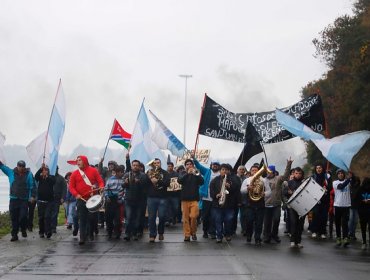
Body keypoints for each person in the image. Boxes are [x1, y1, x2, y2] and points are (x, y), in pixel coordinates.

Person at [69, 155, 104, 245]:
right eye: (77, 160)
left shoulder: (93, 171)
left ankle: (91, 232)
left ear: (84, 161)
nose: (78, 162)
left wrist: (101, 187)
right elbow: (71, 187)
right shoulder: (75, 173)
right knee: (82, 218)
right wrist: (76, 194)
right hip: (81, 199)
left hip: (92, 199)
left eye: (80, 160)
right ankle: (82, 237)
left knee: (92, 218)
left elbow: (100, 181)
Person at [0, 160, 36, 242]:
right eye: (20, 166)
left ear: (24, 167)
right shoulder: (11, 173)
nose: (21, 168)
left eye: (23, 166)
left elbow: (32, 186)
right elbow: (3, 167)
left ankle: (23, 229)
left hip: (24, 200)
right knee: (14, 218)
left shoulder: (29, 174)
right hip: (13, 199)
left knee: (23, 217)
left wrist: (32, 196)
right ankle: (14, 234)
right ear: (17, 166)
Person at [263, 159, 293, 244]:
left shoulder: (279, 179)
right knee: (267, 222)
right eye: (268, 171)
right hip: (266, 204)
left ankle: (274, 235)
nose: (269, 173)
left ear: (274, 172)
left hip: (276, 204)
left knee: (276, 220)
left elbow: (286, 175)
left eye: (270, 172)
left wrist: (289, 164)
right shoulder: (263, 180)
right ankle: (266, 236)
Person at [241, 163, 271, 245]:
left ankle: (257, 238)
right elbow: (242, 191)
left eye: (256, 170)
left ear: (259, 171)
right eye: (253, 170)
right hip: (249, 204)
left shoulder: (264, 180)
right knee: (249, 221)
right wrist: (248, 188)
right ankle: (249, 236)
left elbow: (269, 192)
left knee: (259, 223)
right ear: (250, 172)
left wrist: (264, 194)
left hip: (260, 204)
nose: (254, 172)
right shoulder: (247, 180)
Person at [210, 163, 239, 243]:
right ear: (220, 171)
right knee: (218, 220)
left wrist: (230, 186)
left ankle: (227, 234)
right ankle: (219, 236)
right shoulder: (215, 180)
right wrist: (216, 195)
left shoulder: (233, 179)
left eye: (226, 170)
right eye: (223, 169)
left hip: (229, 205)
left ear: (229, 171)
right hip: (217, 204)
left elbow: (236, 189)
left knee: (229, 220)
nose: (224, 171)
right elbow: (211, 190)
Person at [193, 156, 220, 239]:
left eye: (216, 164)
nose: (215, 166)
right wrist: (194, 159)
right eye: (213, 164)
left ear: (219, 166)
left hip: (216, 199)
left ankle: (212, 232)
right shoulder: (207, 171)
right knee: (205, 217)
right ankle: (205, 231)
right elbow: (199, 166)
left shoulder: (221, 174)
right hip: (206, 198)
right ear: (211, 165)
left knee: (214, 217)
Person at [177, 159, 204, 241]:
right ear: (185, 166)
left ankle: (194, 232)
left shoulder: (196, 172)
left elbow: (202, 182)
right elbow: (179, 181)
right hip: (185, 199)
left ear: (193, 165)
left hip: (194, 199)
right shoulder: (182, 173)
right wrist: (187, 174)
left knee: (194, 216)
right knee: (185, 218)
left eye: (190, 164)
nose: (189, 165)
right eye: (187, 164)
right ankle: (187, 234)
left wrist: (196, 174)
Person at [146, 158, 170, 242]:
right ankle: (152, 235)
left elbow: (167, 184)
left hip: (162, 198)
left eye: (158, 163)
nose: (156, 164)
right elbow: (145, 183)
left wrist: (158, 181)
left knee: (162, 217)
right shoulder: (148, 172)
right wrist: (149, 179)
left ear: (160, 163)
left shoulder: (165, 173)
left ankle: (161, 232)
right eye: (154, 163)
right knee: (151, 218)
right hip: (151, 197)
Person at [123, 160, 147, 241]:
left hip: (139, 200)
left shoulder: (143, 175)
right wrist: (125, 183)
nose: (135, 167)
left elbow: (145, 187)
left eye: (137, 165)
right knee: (129, 217)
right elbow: (123, 186)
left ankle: (135, 233)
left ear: (139, 167)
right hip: (129, 200)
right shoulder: (127, 174)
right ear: (132, 166)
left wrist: (139, 182)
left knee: (137, 218)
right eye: (134, 165)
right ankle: (127, 233)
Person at [283, 167, 305, 248]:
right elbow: (284, 192)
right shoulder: (290, 182)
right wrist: (288, 192)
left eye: (299, 173)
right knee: (293, 222)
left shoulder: (304, 183)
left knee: (300, 224)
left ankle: (298, 241)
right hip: (292, 206)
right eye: (296, 173)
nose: (298, 175)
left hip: (302, 206)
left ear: (302, 174)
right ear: (293, 174)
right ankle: (292, 240)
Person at [310, 163, 333, 239]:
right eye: (317, 168)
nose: (318, 169)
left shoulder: (327, 176)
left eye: (320, 168)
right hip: (316, 199)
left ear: (322, 168)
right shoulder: (313, 177)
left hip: (325, 199)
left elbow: (330, 186)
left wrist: (327, 188)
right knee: (316, 215)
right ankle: (314, 231)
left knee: (324, 216)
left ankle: (322, 232)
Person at [35, 164, 55, 238]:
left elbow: (53, 182)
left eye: (46, 170)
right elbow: (35, 177)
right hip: (40, 201)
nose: (44, 171)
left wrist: (46, 176)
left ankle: (48, 231)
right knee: (41, 218)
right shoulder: (40, 178)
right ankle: (41, 232)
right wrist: (40, 169)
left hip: (49, 201)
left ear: (48, 171)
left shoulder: (51, 177)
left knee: (47, 216)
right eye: (44, 170)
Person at [104, 165, 125, 239]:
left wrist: (122, 199)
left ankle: (117, 232)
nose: (122, 174)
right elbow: (106, 189)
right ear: (116, 172)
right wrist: (107, 197)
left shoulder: (123, 180)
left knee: (118, 219)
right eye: (120, 172)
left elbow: (125, 191)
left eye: (123, 172)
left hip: (118, 202)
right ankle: (109, 232)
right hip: (110, 201)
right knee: (109, 218)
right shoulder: (110, 180)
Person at [332, 169, 351, 247]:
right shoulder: (335, 182)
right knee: (337, 222)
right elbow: (341, 187)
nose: (340, 174)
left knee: (345, 222)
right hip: (337, 205)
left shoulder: (349, 181)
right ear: (337, 175)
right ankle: (338, 237)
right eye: (339, 173)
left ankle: (345, 237)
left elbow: (356, 183)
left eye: (342, 173)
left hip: (346, 205)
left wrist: (352, 175)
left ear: (344, 174)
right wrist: (349, 179)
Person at [51, 166, 67, 234]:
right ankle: (48, 227)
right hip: (49, 198)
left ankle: (53, 227)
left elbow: (64, 188)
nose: (55, 170)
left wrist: (63, 197)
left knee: (55, 213)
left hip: (57, 199)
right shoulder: (49, 177)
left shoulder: (61, 178)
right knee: (48, 214)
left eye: (56, 169)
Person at [165, 162, 181, 226]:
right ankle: (168, 220)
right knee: (167, 208)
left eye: (170, 166)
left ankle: (173, 218)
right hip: (166, 194)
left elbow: (179, 183)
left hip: (175, 194)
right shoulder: (165, 174)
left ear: (173, 166)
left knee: (175, 208)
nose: (169, 167)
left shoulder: (176, 174)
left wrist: (177, 188)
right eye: (168, 166)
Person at [356, 177, 370, 250]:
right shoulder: (360, 189)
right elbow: (356, 199)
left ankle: (365, 242)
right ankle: (364, 241)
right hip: (362, 211)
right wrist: (363, 201)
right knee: (363, 227)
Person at [64, 172, 79, 236]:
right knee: (67, 212)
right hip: (67, 200)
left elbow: (73, 192)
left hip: (74, 200)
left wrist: (70, 198)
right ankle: (70, 223)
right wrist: (66, 199)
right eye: (68, 176)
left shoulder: (74, 183)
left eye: (70, 176)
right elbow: (67, 192)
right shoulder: (66, 183)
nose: (69, 177)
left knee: (72, 213)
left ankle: (72, 225)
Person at [348, 171, 361, 240]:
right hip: (350, 206)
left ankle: (352, 233)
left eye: (357, 181)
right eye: (355, 181)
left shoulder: (359, 188)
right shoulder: (350, 187)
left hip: (357, 206)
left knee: (355, 221)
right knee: (351, 220)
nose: (356, 182)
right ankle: (350, 233)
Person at [236, 165, 247, 236]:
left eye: (243, 169)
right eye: (240, 169)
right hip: (235, 200)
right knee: (233, 216)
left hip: (244, 199)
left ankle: (244, 229)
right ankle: (232, 230)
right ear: (237, 170)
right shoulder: (234, 178)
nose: (242, 171)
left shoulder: (246, 179)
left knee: (243, 216)